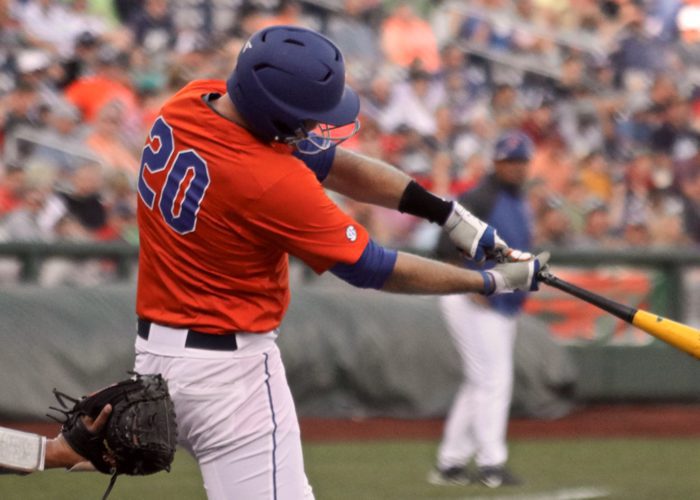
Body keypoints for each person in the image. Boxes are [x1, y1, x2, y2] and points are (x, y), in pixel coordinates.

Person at [132, 25, 547, 500]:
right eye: (305, 118)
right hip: (228, 372)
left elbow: (333, 163)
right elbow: (375, 266)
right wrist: (489, 282)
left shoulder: (190, 101)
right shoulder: (271, 181)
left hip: (157, 357)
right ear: (275, 114)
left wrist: (447, 214)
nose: (314, 127)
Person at [429, 130, 536, 489]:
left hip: (499, 301)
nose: (516, 168)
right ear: (496, 163)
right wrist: (468, 282)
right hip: (470, 297)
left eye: (521, 161)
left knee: (481, 380)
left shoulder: (517, 200)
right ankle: (491, 464)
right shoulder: (480, 196)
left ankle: (451, 462)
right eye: (510, 161)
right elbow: (444, 246)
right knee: (493, 379)